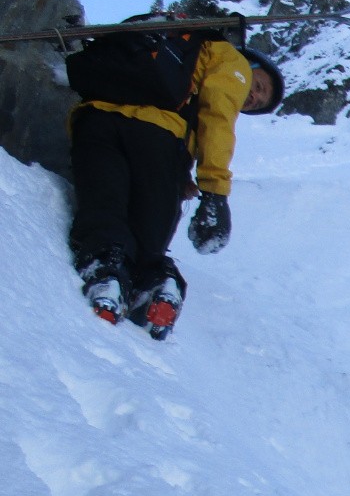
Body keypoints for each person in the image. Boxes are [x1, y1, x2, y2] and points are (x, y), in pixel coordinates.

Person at [68, 33, 284, 338]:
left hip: (95, 119)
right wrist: (215, 193)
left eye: (256, 103)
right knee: (149, 232)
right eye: (259, 87)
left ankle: (106, 269)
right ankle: (154, 281)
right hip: (156, 135)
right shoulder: (233, 63)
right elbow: (218, 119)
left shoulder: (185, 52)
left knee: (104, 203)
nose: (252, 98)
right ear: (252, 64)